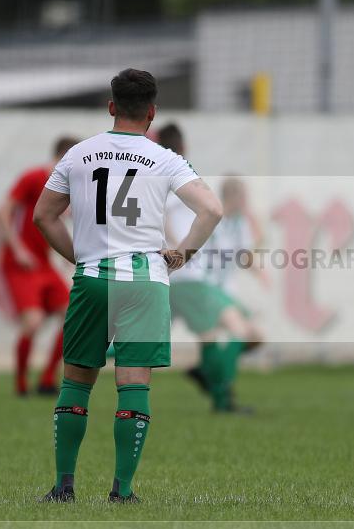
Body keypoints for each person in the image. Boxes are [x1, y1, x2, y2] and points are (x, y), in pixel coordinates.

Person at [33, 69, 223, 503]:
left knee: (77, 382)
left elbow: (43, 216)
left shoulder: (79, 154)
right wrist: (183, 254)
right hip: (145, 281)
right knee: (133, 383)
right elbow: (211, 210)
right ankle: (122, 490)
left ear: (111, 106)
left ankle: (64, 486)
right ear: (152, 113)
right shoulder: (165, 157)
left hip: (93, 278)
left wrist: (79, 258)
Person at [158, 123, 264, 413]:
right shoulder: (178, 181)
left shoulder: (162, 180)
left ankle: (213, 383)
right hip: (192, 280)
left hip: (187, 280)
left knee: (214, 336)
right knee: (243, 332)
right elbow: (168, 219)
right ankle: (219, 392)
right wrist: (177, 246)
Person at [0, 136, 78, 396]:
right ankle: (20, 382)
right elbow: (2, 213)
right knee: (33, 322)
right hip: (21, 264)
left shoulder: (68, 186)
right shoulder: (33, 177)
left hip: (43, 264)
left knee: (71, 316)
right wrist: (17, 248)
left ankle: (47, 378)